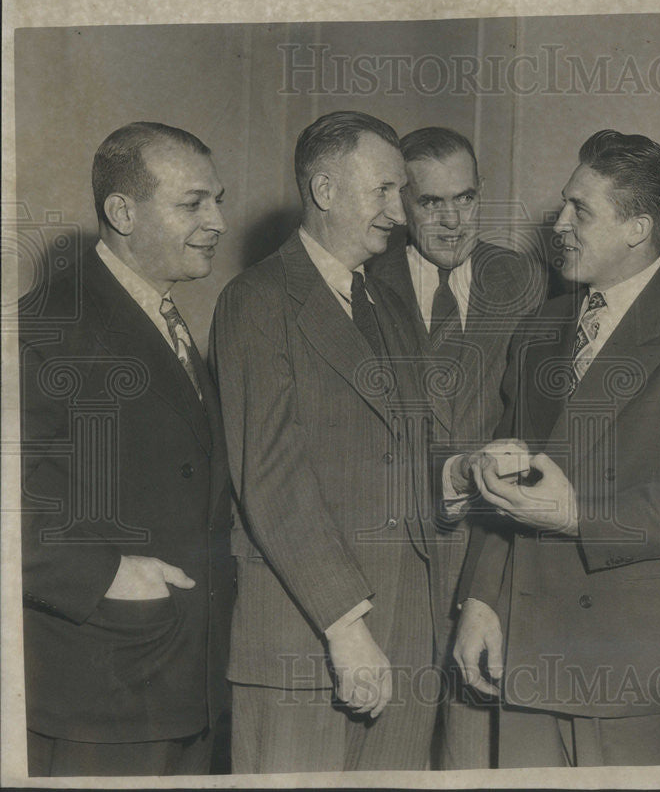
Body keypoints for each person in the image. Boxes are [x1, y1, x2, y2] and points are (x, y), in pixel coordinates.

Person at [447, 129, 660, 767]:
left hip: (633, 666)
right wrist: (481, 598)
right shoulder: (541, 326)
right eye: (564, 204)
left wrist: (580, 518)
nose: (558, 223)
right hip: (529, 647)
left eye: (579, 211)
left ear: (637, 228)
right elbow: (509, 474)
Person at [210, 111, 443, 773]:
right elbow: (272, 476)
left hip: (404, 639)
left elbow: (402, 454)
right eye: (384, 190)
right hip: (307, 640)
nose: (400, 212)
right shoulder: (256, 300)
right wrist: (346, 627)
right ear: (324, 188)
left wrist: (458, 476)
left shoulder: (390, 308)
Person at [19, 122, 233, 776]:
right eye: (193, 203)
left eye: (217, 199)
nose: (219, 221)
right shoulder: (47, 324)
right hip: (103, 688)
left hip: (186, 680)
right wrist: (110, 574)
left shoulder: (161, 313)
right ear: (122, 212)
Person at [366, 126, 547, 769]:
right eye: (431, 203)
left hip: (491, 556)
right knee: (389, 756)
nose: (452, 220)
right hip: (391, 561)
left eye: (466, 199)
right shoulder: (360, 280)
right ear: (397, 204)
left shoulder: (527, 281)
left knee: (475, 758)